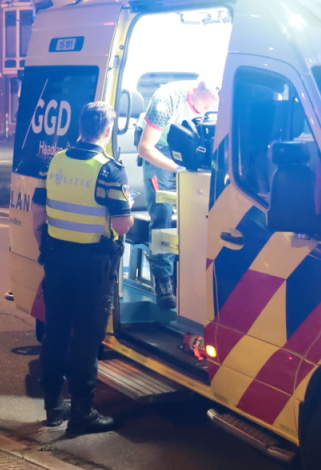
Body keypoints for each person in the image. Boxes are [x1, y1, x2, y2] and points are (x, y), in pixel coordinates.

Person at [33, 101, 135, 434]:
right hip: (92, 266)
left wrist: (46, 248)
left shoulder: (57, 161)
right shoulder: (109, 169)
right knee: (87, 340)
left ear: (80, 126)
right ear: (108, 130)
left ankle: (53, 407)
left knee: (56, 333)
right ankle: (83, 413)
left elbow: (39, 212)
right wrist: (129, 207)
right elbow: (121, 225)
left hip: (58, 260)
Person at [135, 76, 218, 307]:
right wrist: (178, 169)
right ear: (194, 93)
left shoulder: (213, 100)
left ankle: (193, 277)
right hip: (158, 147)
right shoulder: (167, 100)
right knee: (162, 210)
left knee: (199, 208)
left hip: (190, 147)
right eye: (204, 106)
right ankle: (163, 280)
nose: (208, 110)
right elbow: (145, 148)